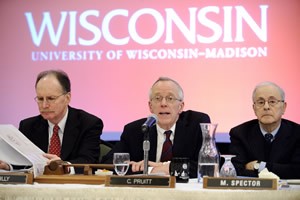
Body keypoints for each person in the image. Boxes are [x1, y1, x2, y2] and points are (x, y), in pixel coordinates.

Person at [101, 77, 210, 178]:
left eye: (170, 98)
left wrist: (166, 167)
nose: (163, 104)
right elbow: (107, 163)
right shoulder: (135, 130)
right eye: (157, 98)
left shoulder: (196, 124)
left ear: (180, 107)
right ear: (150, 106)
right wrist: (129, 167)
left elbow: (208, 165)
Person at [0, 69, 103, 173]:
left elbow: (89, 161)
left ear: (67, 98)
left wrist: (63, 166)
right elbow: (24, 162)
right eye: (40, 99)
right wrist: (8, 166)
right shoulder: (27, 126)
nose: (44, 105)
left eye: (51, 98)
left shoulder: (89, 124)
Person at [229, 81, 300, 179]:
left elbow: (297, 171)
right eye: (261, 102)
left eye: (272, 102)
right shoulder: (240, 133)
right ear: (254, 108)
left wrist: (259, 166)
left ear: (284, 107)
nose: (266, 107)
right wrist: (281, 170)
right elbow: (236, 171)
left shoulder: (297, 133)